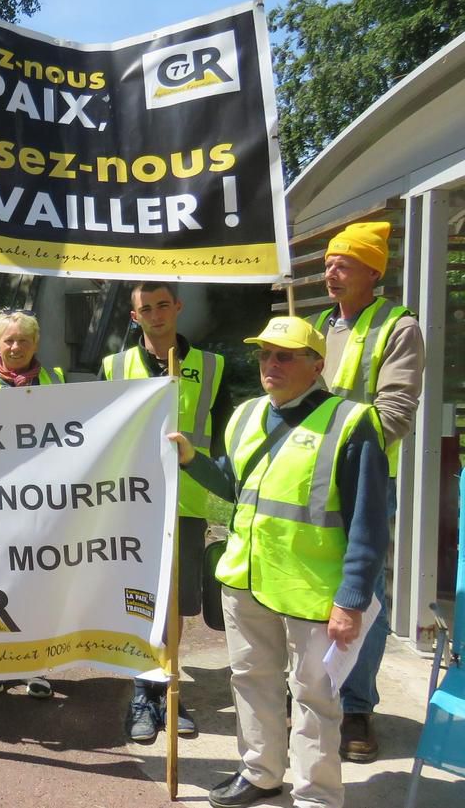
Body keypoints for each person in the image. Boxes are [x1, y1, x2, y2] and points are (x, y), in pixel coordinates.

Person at [172, 316, 388, 808]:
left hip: (312, 590)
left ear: (317, 365)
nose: (271, 363)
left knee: (314, 699)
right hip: (245, 580)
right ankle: (261, 772)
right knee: (250, 682)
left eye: (284, 355)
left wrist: (352, 601)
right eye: (265, 353)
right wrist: (190, 460)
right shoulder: (247, 414)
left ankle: (316, 795)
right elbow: (234, 484)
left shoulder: (352, 423)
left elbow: (370, 523)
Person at [309, 220, 424, 762]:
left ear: (374, 272)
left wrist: (339, 445)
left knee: (362, 597)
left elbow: (396, 411)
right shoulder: (314, 325)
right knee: (311, 589)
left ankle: (357, 708)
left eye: (344, 264)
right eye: (329, 262)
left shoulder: (398, 326)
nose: (331, 271)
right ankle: (314, 691)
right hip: (309, 479)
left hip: (367, 481)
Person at [101, 280, 231, 741]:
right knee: (138, 597)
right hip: (132, 501)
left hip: (186, 501)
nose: (155, 315)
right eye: (145, 309)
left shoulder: (212, 366)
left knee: (175, 601)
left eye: (162, 306)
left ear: (177, 308)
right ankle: (144, 688)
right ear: (134, 316)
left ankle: (169, 688)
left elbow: (226, 439)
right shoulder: (114, 366)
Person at [0, 307, 62, 700]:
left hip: (40, 499)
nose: (16, 346)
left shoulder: (57, 380)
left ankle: (36, 667)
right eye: (9, 339)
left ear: (36, 343)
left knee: (37, 581)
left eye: (23, 340)